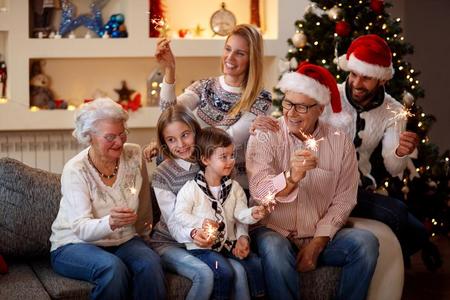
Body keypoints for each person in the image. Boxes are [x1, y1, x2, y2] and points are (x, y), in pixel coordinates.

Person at [246, 62, 379, 300]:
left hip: (318, 233)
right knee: (275, 250)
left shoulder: (340, 142)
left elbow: (345, 199)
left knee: (366, 244)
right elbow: (258, 191)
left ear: (320, 108)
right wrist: (291, 177)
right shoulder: (265, 134)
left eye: (301, 107)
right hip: (273, 229)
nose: (290, 113)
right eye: (287, 103)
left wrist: (318, 243)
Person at [320, 34, 441, 269]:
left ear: (382, 79)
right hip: (327, 186)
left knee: (417, 232)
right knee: (396, 214)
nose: (356, 83)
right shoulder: (327, 96)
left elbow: (393, 168)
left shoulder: (393, 109)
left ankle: (382, 265)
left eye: (366, 78)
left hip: (360, 188)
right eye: (354, 74)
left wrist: (400, 153)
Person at [49, 98, 166, 300]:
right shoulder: (76, 170)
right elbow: (81, 228)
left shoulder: (134, 155)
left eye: (122, 134)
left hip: (125, 240)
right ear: (89, 137)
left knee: (151, 264)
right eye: (110, 137)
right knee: (113, 269)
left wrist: (145, 238)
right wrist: (109, 222)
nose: (119, 142)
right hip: (74, 244)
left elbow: (145, 205)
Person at [154, 23, 272, 190]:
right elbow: (169, 115)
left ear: (252, 59)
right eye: (228, 49)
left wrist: (178, 141)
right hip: (199, 181)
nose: (230, 58)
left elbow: (223, 141)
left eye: (240, 53)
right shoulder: (205, 86)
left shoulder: (261, 99)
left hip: (233, 187)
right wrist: (170, 69)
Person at [170, 127, 267, 300]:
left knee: (254, 263)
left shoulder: (235, 188)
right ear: (206, 159)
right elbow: (180, 215)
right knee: (222, 270)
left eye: (232, 155)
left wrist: (253, 213)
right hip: (202, 248)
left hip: (227, 245)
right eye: (224, 157)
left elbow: (240, 214)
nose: (230, 161)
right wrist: (202, 222)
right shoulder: (191, 189)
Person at [146, 104, 216, 300]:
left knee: (238, 270)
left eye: (185, 135)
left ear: (195, 131)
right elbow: (173, 221)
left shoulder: (209, 163)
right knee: (204, 274)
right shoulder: (162, 175)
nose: (181, 144)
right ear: (164, 143)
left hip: (205, 242)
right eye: (171, 140)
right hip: (168, 244)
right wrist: (194, 232)